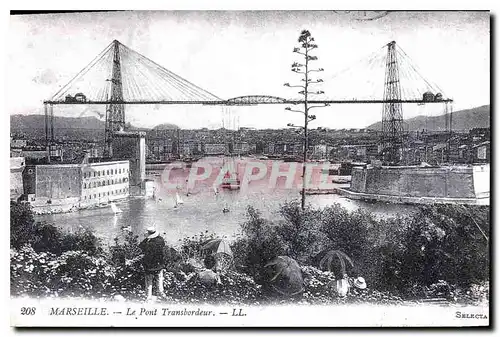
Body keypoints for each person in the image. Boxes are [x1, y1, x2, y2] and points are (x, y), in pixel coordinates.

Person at [139, 226, 166, 300]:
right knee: (159, 279)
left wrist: (146, 239)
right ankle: (161, 293)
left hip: (149, 265)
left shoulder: (148, 243)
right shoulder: (161, 240)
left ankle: (148, 296)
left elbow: (140, 247)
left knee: (149, 281)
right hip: (159, 264)